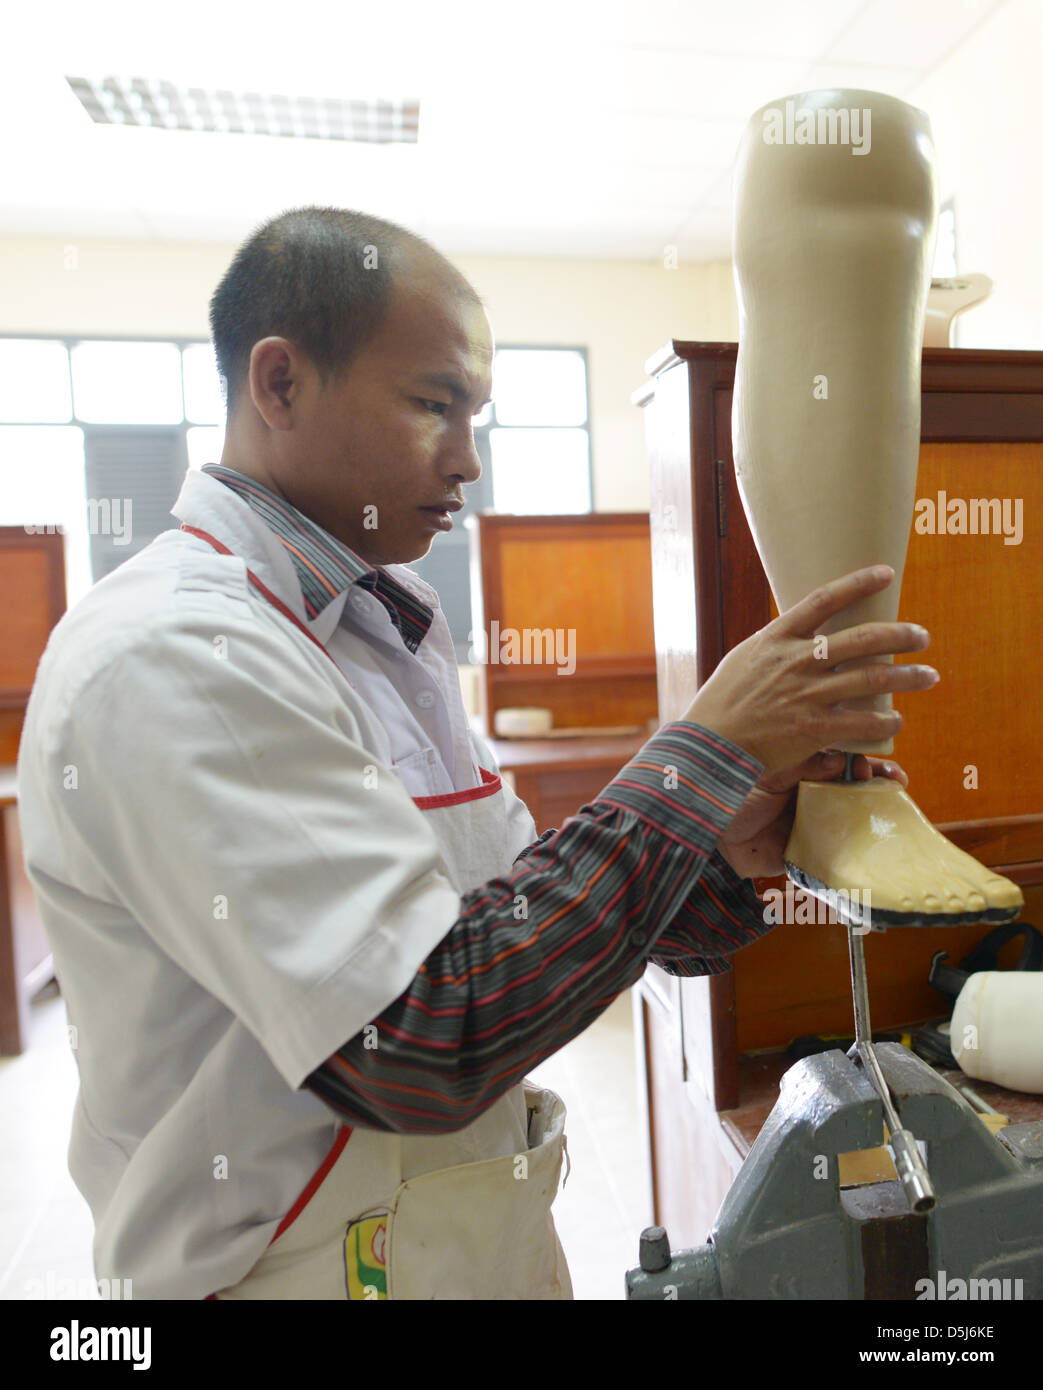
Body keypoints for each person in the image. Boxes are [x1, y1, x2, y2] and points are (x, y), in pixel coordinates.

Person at [16, 206, 938, 1301]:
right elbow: (423, 1036)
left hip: (465, 1255)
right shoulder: (174, 654)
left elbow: (511, 944)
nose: (467, 461)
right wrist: (697, 755)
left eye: (478, 415)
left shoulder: (382, 626)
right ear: (280, 384)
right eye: (432, 405)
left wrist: (720, 835)